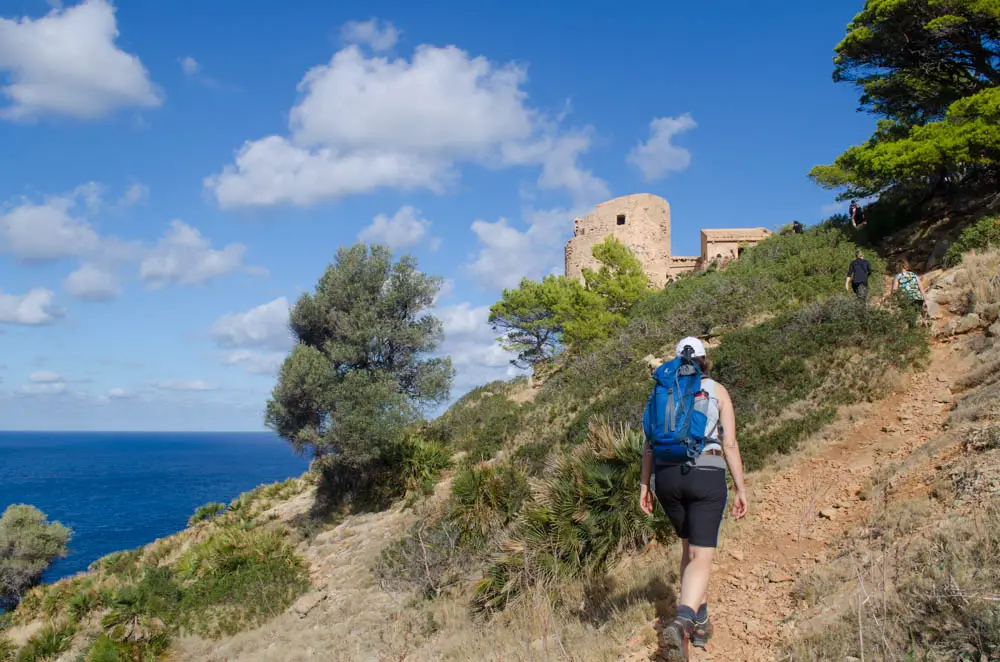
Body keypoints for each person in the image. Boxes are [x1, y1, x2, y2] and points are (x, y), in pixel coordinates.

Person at [640, 337, 748, 659]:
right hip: (705, 473)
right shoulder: (717, 390)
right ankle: (684, 618)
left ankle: (699, 623)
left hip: (666, 478)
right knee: (702, 555)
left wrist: (644, 486)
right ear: (705, 360)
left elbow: (648, 444)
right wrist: (741, 488)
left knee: (689, 548)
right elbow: (729, 444)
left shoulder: (662, 391)